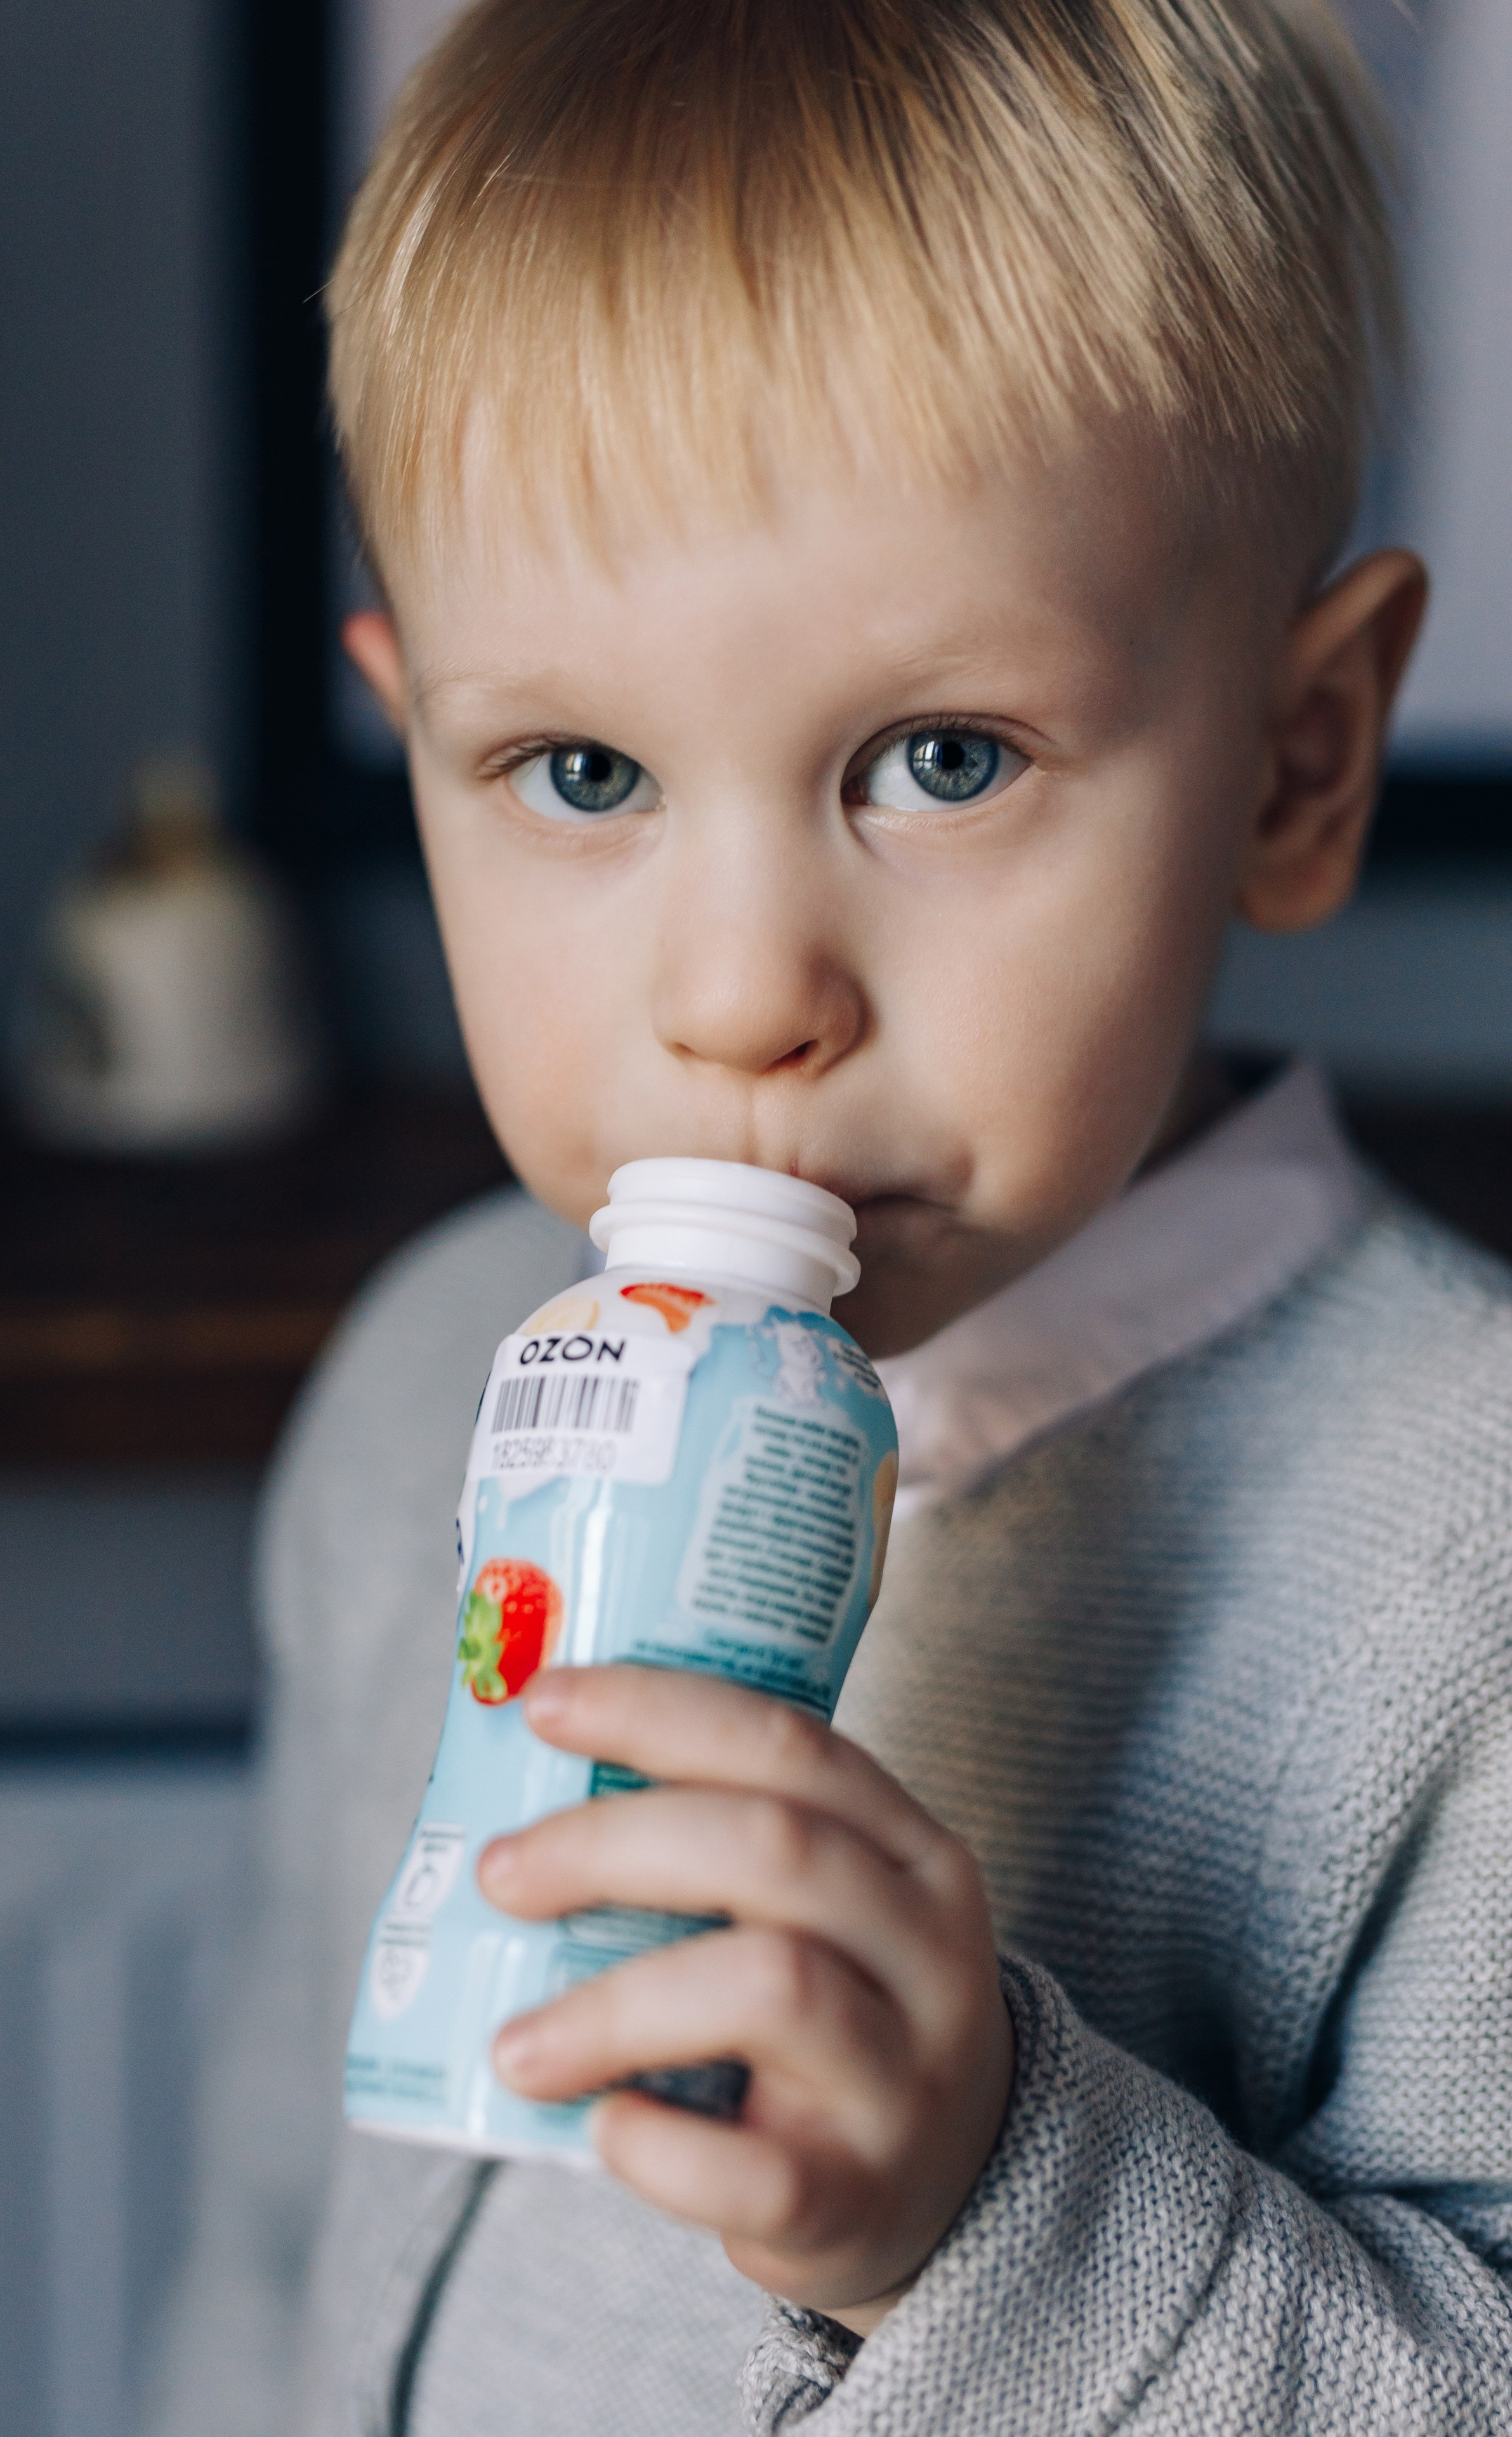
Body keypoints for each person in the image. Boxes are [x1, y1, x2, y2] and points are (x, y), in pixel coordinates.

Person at [142, 3, 1512, 2430]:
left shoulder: (1467, 1554)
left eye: (943, 760)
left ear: (1298, 767)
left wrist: (991, 2214)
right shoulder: (422, 1384)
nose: (742, 993)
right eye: (578, 771)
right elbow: (278, 2251)